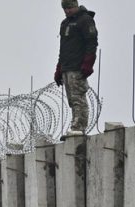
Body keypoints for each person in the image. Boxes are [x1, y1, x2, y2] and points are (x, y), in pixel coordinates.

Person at [54, 0, 98, 139]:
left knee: (78, 97)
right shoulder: (65, 23)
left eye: (70, 7)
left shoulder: (85, 20)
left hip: (78, 66)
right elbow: (63, 48)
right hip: (67, 66)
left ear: (76, 6)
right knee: (72, 100)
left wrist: (88, 64)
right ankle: (75, 125)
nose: (67, 11)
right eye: (65, 8)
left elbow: (91, 43)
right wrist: (59, 68)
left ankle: (79, 127)